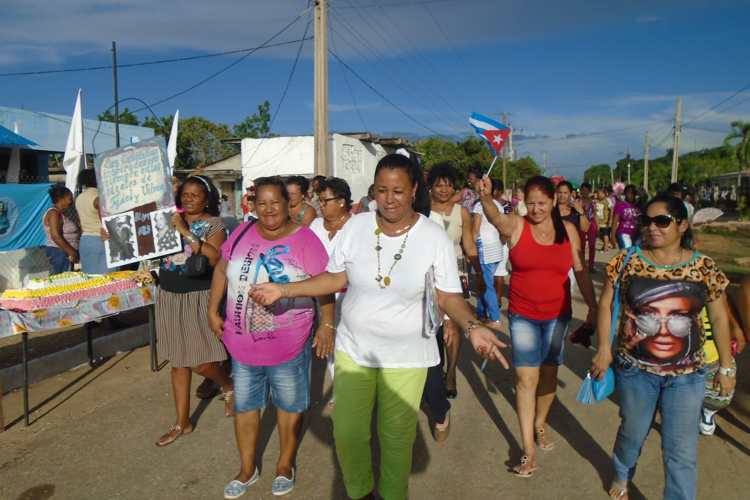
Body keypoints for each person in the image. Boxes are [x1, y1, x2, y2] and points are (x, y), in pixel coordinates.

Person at [250, 153, 508, 500]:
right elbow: (335, 276)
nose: (389, 199)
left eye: (398, 191)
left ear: (414, 189)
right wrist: (284, 289)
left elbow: (448, 296)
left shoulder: (431, 237)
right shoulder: (356, 226)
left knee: (396, 439)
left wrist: (472, 325)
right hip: (355, 349)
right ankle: (360, 493)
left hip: (408, 357)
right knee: (349, 434)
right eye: (382, 190)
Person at [591, 193, 735, 500]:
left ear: (682, 225)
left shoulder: (704, 267)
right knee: (632, 434)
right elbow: (605, 305)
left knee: (680, 452)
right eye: (647, 220)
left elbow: (720, 317)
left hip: (688, 375)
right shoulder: (626, 261)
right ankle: (622, 471)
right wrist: (604, 349)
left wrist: (726, 365)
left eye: (663, 221)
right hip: (636, 371)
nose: (652, 227)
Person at [208, 176, 335, 498]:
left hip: (288, 344)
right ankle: (247, 469)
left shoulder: (305, 239)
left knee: (289, 407)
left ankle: (284, 464)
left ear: (288, 204)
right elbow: (222, 270)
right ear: (252, 205)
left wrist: (326, 324)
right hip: (242, 342)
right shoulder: (241, 232)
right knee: (246, 406)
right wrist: (212, 309)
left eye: (274, 202)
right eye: (261, 203)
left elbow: (327, 283)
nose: (268, 209)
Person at [477, 174, 597, 477]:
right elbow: (493, 216)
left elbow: (580, 271)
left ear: (554, 201)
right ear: (522, 202)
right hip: (523, 315)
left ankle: (540, 422)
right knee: (525, 379)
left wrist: (594, 307)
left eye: (542, 203)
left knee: (548, 376)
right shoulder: (516, 226)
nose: (536, 209)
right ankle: (528, 451)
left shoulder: (568, 230)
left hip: (557, 315)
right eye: (530, 203)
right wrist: (485, 196)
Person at [154, 175, 234, 447]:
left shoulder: (214, 224)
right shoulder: (167, 219)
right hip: (168, 295)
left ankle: (227, 385)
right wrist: (115, 237)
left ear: (206, 198)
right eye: (185, 194)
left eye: (195, 195)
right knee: (178, 362)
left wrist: (185, 232)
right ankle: (182, 422)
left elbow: (214, 257)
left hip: (197, 297)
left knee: (200, 360)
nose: (188, 199)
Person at [426, 163, 479, 428]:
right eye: (439, 184)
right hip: (428, 276)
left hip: (456, 274)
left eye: (448, 184)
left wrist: (478, 271)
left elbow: (468, 243)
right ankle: (433, 372)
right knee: (430, 327)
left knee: (454, 329)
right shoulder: (421, 212)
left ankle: (451, 373)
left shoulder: (463, 213)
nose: (444, 189)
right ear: (431, 187)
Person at [309, 176, 354, 405]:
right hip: (322, 296)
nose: (322, 205)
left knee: (351, 342)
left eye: (326, 200)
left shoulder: (358, 226)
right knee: (329, 339)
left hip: (351, 296)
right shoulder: (315, 226)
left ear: (343, 201)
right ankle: (340, 386)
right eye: (320, 201)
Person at [472, 178, 510, 330]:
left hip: (484, 248)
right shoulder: (499, 206)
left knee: (487, 285)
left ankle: (494, 318)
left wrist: (471, 247)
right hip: (496, 248)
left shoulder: (479, 205)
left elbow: (475, 229)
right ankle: (481, 313)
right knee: (485, 281)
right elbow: (503, 229)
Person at [75, 169, 109, 275]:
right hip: (100, 239)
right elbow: (105, 221)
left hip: (85, 240)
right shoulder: (98, 197)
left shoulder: (79, 198)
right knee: (107, 280)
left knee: (90, 279)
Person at [43, 184, 80, 274]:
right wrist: (71, 252)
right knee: (62, 281)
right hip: (59, 252)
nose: (71, 200)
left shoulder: (61, 213)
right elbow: (56, 236)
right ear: (62, 198)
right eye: (70, 197)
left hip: (64, 253)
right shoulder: (54, 213)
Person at [610, 184, 641, 249]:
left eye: (633, 193)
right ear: (625, 193)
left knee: (635, 254)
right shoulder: (620, 205)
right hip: (623, 233)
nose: (630, 195)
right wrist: (612, 235)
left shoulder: (638, 205)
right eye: (628, 193)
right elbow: (615, 221)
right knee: (627, 252)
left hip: (636, 234)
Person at [579, 182, 597, 271]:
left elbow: (594, 214)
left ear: (589, 191)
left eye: (586, 190)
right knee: (581, 245)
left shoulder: (593, 202)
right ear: (581, 191)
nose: (584, 192)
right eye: (583, 190)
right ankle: (581, 264)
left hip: (591, 224)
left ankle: (591, 265)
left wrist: (597, 226)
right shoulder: (577, 201)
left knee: (592, 245)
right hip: (581, 224)